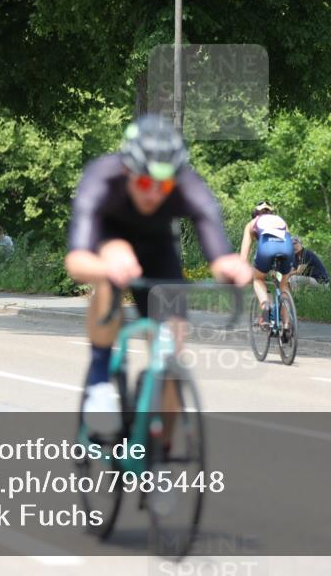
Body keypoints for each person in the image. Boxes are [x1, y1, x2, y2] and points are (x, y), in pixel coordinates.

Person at [65, 114, 252, 433]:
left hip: (158, 250)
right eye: (143, 183)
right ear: (127, 171)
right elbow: (76, 260)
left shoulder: (188, 187)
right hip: (111, 243)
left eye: (163, 185)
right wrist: (106, 269)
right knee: (114, 262)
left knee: (171, 353)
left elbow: (218, 251)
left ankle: (160, 457)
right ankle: (99, 383)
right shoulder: (102, 178)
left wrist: (229, 266)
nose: (153, 193)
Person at [239, 201, 294, 334]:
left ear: (255, 214)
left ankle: (265, 307)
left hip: (266, 249)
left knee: (258, 279)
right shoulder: (281, 220)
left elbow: (244, 254)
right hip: (286, 249)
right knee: (284, 284)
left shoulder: (252, 223)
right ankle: (286, 325)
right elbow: (288, 238)